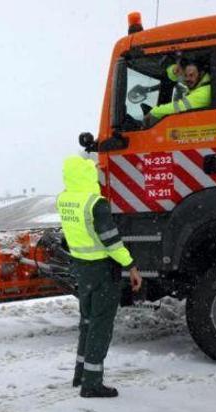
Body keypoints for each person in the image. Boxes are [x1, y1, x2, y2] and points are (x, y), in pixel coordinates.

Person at [56, 155, 142, 398]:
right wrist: (131, 265)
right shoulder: (96, 203)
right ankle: (92, 384)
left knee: (87, 322)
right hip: (103, 270)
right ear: (87, 175)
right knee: (100, 326)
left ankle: (80, 373)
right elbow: (112, 242)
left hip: (82, 268)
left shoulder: (64, 199)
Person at [146, 60, 212, 124]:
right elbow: (173, 76)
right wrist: (173, 70)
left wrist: (154, 112)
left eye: (191, 75)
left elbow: (179, 106)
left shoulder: (205, 92)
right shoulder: (198, 85)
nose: (187, 79)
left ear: (201, 74)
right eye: (185, 75)